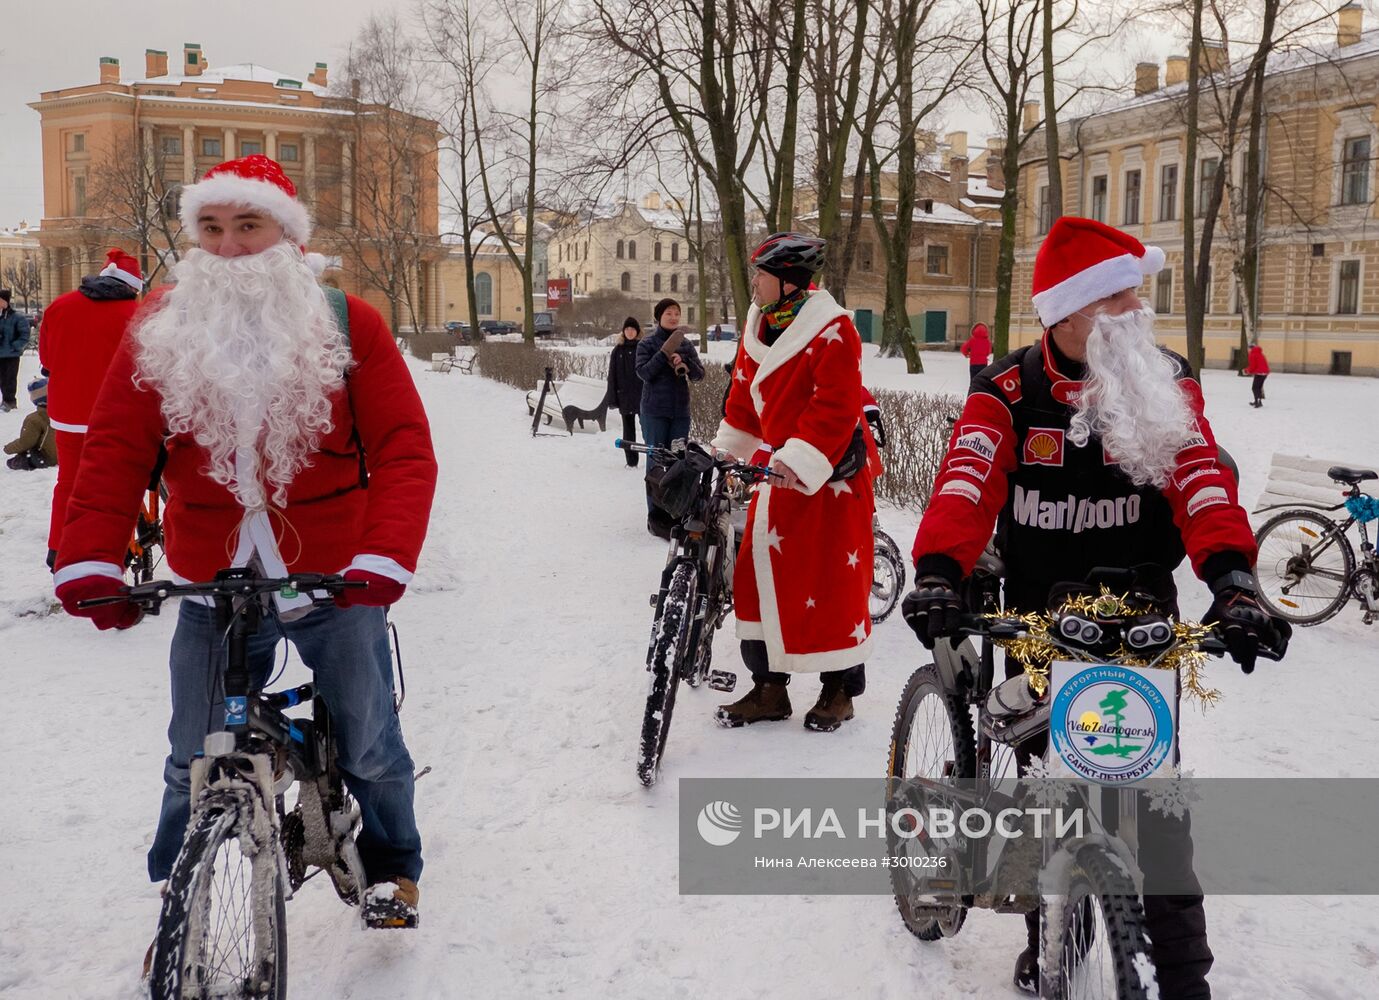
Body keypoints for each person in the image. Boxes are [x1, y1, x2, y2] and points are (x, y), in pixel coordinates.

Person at [903, 216, 1290, 997]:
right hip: (1045, 613)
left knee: (1155, 805)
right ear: (1066, 312)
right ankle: (1048, 930)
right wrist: (942, 570)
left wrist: (1234, 581)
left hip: (1143, 614)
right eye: (1118, 300)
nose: (1135, 315)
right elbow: (965, 484)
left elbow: (1200, 480)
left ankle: (1181, 981)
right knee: (1050, 781)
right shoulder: (1006, 393)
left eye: (1136, 298)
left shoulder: (1162, 379)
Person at [52, 155, 438, 934]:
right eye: (212, 228)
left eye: (249, 225)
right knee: (188, 754)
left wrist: (383, 556)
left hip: (333, 569)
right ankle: (179, 897)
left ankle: (393, 868)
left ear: (287, 235)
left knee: (368, 745)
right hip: (211, 571)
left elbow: (402, 446)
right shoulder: (159, 324)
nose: (228, 246)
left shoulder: (345, 320)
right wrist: (90, 556)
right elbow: (117, 450)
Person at [711, 233, 875, 733]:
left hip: (827, 478)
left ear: (786, 280)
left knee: (832, 583)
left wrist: (798, 459)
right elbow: (743, 393)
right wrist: (728, 448)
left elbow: (836, 403)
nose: (753, 284)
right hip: (776, 472)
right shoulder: (759, 324)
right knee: (757, 577)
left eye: (759, 274)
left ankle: (839, 690)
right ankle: (769, 688)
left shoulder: (834, 329)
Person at [39, 248, 144, 567]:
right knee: (119, 484)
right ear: (132, 286)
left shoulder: (60, 306)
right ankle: (113, 553)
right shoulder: (137, 316)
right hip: (116, 417)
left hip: (68, 415)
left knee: (69, 482)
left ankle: (58, 549)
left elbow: (47, 360)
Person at [636, 297, 704, 536]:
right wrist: (664, 354)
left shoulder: (685, 344)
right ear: (659, 317)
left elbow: (699, 374)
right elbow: (644, 373)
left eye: (676, 313)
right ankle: (655, 516)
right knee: (656, 462)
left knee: (678, 463)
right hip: (654, 412)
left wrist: (684, 361)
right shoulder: (647, 343)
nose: (674, 317)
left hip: (680, 413)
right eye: (669, 314)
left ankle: (675, 513)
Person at [607, 316, 643, 468]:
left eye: (632, 329)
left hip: (642, 395)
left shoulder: (643, 347)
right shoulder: (618, 350)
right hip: (625, 396)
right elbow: (612, 375)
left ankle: (654, 460)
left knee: (648, 429)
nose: (629, 332)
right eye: (627, 329)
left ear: (637, 331)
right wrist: (612, 397)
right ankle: (631, 461)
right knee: (628, 432)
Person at [3, 377, 56, 470]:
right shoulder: (64, 414)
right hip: (66, 455)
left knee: (14, 461)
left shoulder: (34, 419)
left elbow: (25, 442)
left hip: (47, 458)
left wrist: (8, 448)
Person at [0, 288, 33, 411]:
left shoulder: (17, 317)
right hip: (1, 353)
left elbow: (25, 334)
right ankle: (5, 399)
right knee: (2, 379)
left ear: (5, 301)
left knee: (10, 378)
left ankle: (10, 401)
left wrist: (16, 346)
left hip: (11, 354)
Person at [1244, 342, 1270, 407]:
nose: (1248, 349)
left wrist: (1247, 371)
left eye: (1248, 348)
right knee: (1258, 387)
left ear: (1250, 348)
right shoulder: (1260, 354)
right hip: (1265, 373)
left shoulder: (1252, 354)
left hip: (1259, 373)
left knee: (1255, 388)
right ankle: (1258, 401)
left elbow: (1253, 366)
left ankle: (1257, 402)